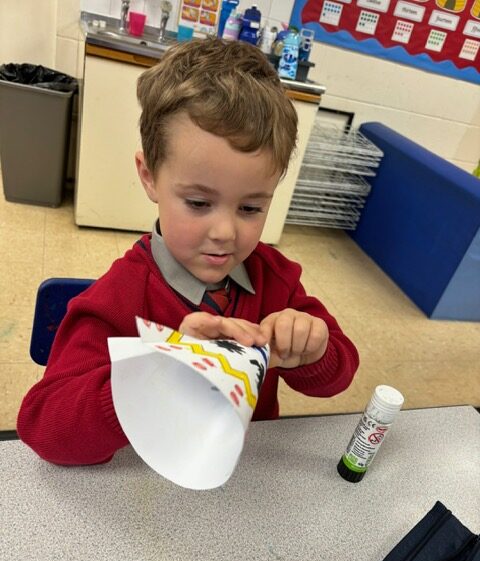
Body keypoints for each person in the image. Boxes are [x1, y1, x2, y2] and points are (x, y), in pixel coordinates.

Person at [17, 38, 359, 465]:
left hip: (243, 474)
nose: (225, 232)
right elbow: (44, 428)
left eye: (251, 207)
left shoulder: (277, 279)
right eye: (198, 203)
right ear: (149, 177)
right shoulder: (120, 298)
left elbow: (339, 374)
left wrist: (314, 350)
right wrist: (159, 373)